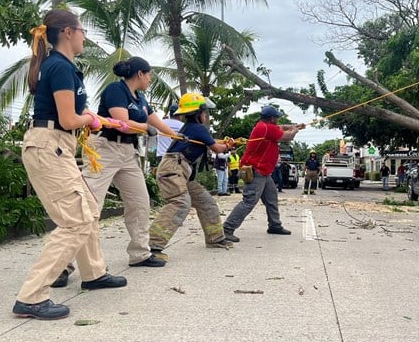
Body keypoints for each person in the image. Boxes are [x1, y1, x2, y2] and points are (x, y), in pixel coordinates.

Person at [13, 9, 126, 320]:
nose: (84, 36)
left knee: (88, 208)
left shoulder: (64, 67)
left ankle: (93, 273)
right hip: (49, 145)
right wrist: (92, 118)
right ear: (67, 33)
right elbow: (68, 119)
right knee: (76, 220)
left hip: (57, 145)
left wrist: (96, 118)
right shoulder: (60, 67)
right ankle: (31, 296)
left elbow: (73, 114)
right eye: (81, 31)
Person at [81, 57, 180, 269]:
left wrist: (179, 136)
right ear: (140, 74)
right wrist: (145, 128)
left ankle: (140, 254)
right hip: (104, 149)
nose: (151, 79)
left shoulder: (141, 98)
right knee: (88, 205)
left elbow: (158, 123)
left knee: (140, 202)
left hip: (127, 151)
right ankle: (67, 264)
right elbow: (122, 124)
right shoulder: (116, 90)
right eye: (149, 74)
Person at [148, 93, 235, 259]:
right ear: (198, 114)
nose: (205, 115)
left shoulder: (191, 128)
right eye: (204, 112)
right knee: (180, 203)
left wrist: (223, 143)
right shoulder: (197, 128)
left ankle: (215, 238)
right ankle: (152, 245)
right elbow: (216, 148)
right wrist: (228, 146)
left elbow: (211, 142)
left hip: (180, 171)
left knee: (206, 202)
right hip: (173, 169)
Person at [222, 106, 304, 243]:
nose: (278, 119)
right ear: (272, 118)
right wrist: (295, 130)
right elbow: (287, 136)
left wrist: (294, 126)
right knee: (249, 201)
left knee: (271, 198)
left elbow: (281, 127)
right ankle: (227, 229)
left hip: (264, 172)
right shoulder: (267, 128)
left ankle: (275, 225)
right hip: (257, 170)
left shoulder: (264, 126)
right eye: (276, 117)